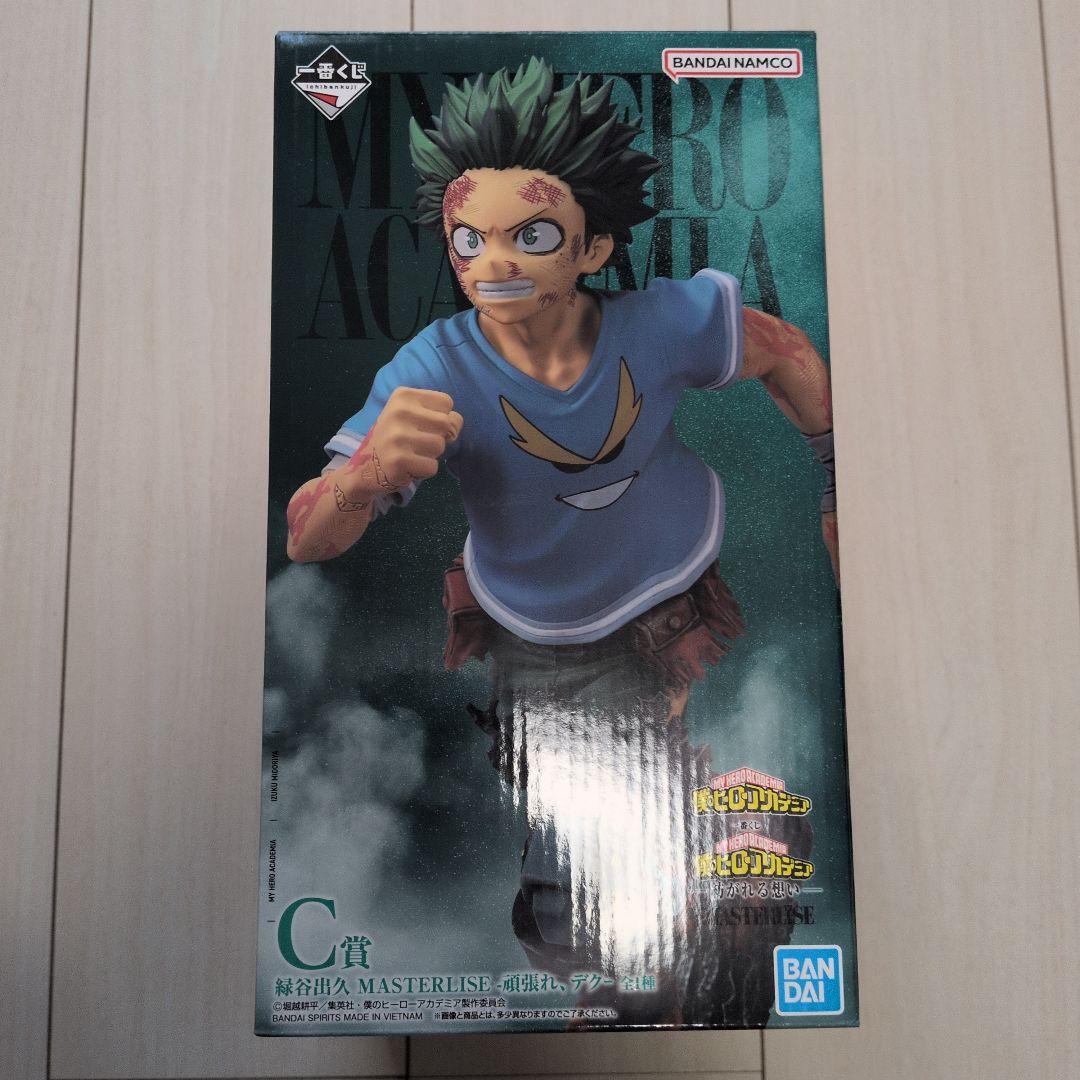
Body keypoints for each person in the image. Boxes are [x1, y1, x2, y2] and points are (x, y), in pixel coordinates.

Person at [284, 58, 836, 1027]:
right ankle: (645, 949)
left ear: (593, 245)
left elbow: (784, 350)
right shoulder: (433, 368)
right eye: (470, 239)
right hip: (539, 626)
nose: (495, 262)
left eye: (530, 235)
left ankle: (705, 915)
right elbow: (307, 538)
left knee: (657, 813)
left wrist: (837, 471)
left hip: (674, 583)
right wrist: (357, 480)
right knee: (565, 879)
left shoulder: (660, 323)